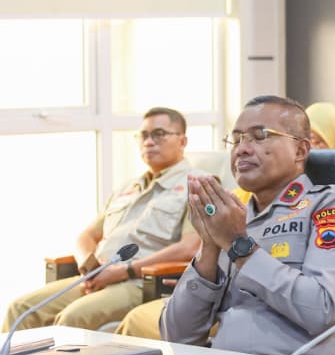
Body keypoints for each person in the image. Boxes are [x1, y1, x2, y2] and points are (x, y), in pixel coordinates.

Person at [161, 96, 335, 355]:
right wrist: (210, 247)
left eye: (260, 136)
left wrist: (239, 246)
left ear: (300, 150)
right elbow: (177, 337)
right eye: (236, 139)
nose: (242, 149)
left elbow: (321, 309)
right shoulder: (233, 218)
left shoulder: (330, 206)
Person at [5, 108, 198, 333]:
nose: (148, 142)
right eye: (143, 135)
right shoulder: (128, 187)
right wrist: (89, 265)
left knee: (72, 318)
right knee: (20, 308)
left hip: (139, 281)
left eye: (159, 134)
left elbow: (189, 248)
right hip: (98, 276)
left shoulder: (197, 184)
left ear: (182, 141)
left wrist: (123, 271)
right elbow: (87, 236)